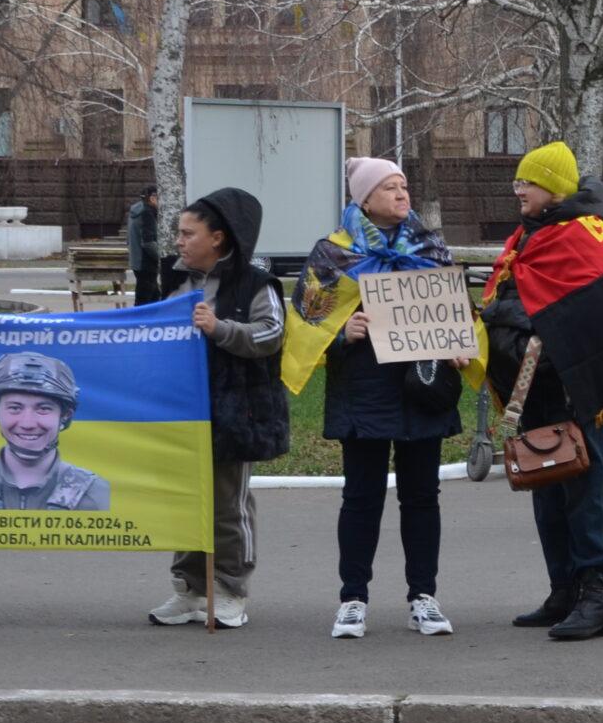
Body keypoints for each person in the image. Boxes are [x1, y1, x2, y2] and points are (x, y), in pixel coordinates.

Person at [486, 142, 603, 642]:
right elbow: (505, 297)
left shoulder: (585, 236)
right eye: (517, 182)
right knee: (549, 484)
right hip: (538, 382)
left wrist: (513, 315)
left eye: (528, 182)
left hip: (584, 386)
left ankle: (595, 596)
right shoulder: (529, 234)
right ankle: (563, 588)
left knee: (590, 490)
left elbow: (576, 312)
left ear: (554, 187)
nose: (519, 190)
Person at [293, 158, 463, 640]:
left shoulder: (430, 247)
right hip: (363, 390)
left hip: (421, 389)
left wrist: (458, 344)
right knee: (361, 497)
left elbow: (457, 311)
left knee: (422, 498)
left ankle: (423, 597)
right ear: (363, 200)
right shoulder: (333, 253)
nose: (401, 194)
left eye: (404, 185)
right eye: (389, 188)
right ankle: (352, 598)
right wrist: (342, 330)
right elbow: (307, 316)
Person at [142, 187, 288, 628]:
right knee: (185, 501)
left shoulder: (255, 284)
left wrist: (219, 328)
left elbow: (272, 334)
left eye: (189, 233)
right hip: (181, 412)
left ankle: (229, 589)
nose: (180, 241)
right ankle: (188, 589)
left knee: (228, 505)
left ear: (218, 238)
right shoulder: (174, 279)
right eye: (178, 233)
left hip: (235, 413)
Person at [0, 353, 112, 510]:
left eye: (43, 408)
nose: (27, 424)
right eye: (15, 408)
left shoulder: (98, 496)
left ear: (65, 415)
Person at [128, 187, 164, 306]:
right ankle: (137, 323)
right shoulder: (147, 212)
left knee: (154, 298)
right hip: (146, 263)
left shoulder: (136, 211)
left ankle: (153, 322)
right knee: (143, 301)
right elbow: (148, 243)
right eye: (161, 198)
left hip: (137, 260)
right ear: (153, 198)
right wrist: (162, 257)